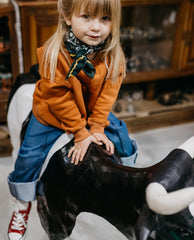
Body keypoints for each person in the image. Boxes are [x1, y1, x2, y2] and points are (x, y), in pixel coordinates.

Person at [7, 0, 136, 239]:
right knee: (28, 156)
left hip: (90, 109)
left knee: (122, 137)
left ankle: (126, 184)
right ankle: (21, 203)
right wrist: (80, 133)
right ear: (67, 16)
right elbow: (59, 100)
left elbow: (108, 94)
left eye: (105, 19)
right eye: (87, 17)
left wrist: (97, 127)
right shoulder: (52, 54)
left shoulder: (113, 55)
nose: (96, 27)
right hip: (53, 113)